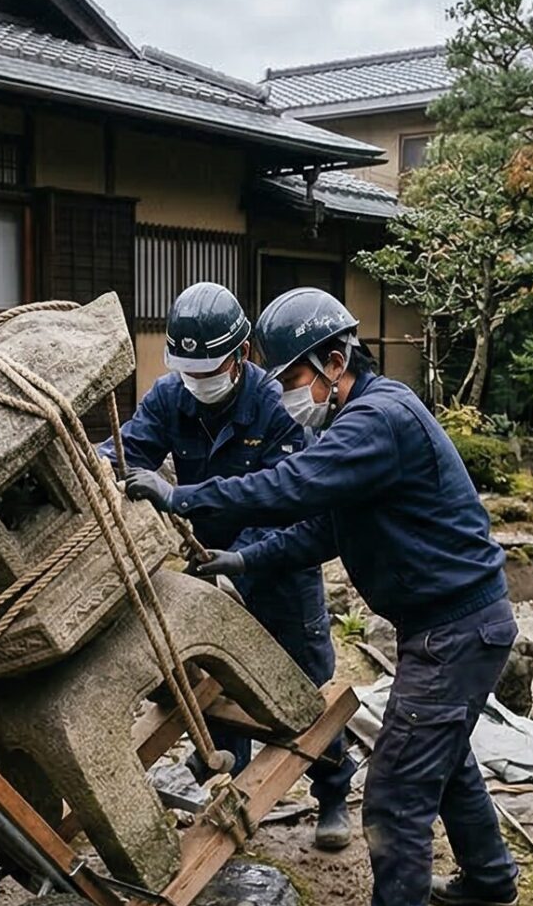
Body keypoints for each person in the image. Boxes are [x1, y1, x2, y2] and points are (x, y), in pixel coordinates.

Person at [124, 288, 518, 906]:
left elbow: (293, 486)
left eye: (294, 378)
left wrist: (183, 498)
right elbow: (324, 527)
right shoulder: (360, 418)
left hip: (457, 629)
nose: (289, 394)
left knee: (397, 785)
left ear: (335, 360)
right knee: (444, 753)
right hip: (451, 624)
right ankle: (491, 879)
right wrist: (244, 559)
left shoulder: (375, 419)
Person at [103, 282, 357, 851]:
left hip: (278, 565)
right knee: (220, 675)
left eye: (209, 370)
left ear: (240, 355)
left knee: (305, 685)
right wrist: (100, 464)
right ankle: (233, 777)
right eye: (189, 371)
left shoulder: (280, 404)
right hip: (208, 561)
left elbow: (288, 499)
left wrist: (241, 563)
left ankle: (334, 792)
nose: (199, 383)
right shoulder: (171, 397)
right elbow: (131, 452)